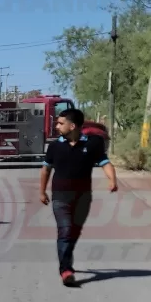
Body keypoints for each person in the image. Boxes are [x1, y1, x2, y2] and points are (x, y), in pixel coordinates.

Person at [39, 107, 118, 287]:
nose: (57, 126)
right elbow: (46, 169)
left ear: (72, 125)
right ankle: (66, 270)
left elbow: (105, 162)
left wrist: (112, 179)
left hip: (83, 198)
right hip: (60, 197)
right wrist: (42, 191)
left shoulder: (93, 144)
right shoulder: (55, 146)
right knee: (65, 230)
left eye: (60, 123)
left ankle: (66, 260)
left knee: (74, 232)